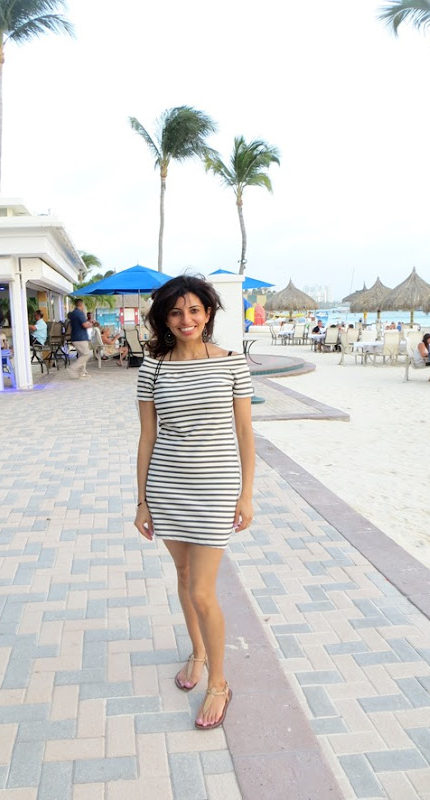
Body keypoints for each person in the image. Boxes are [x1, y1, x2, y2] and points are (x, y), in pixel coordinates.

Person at [135, 275, 255, 731]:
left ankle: (219, 684)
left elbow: (244, 433)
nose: (185, 320)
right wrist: (142, 501)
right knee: (184, 577)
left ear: (208, 314)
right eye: (175, 312)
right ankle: (198, 653)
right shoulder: (153, 368)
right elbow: (148, 437)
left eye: (194, 310)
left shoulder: (232, 363)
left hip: (215, 488)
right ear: (164, 319)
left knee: (203, 591)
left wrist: (246, 494)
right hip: (167, 486)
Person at [68, 299, 93, 378]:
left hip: (76, 337)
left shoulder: (73, 313)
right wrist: (91, 324)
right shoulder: (79, 313)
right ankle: (73, 367)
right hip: (80, 337)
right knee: (87, 354)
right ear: (81, 305)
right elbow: (84, 325)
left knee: (82, 355)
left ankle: (82, 373)